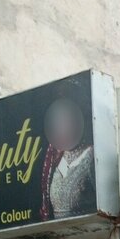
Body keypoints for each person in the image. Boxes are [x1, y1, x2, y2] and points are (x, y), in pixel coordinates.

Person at [40, 90, 95, 220]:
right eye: (58, 121)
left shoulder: (91, 157)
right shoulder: (55, 157)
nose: (62, 125)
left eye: (66, 119)